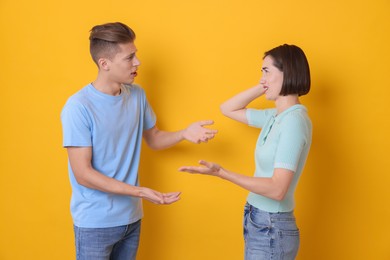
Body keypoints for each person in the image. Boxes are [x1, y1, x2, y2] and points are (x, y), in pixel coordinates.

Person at [60, 22, 217, 260]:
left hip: (131, 219)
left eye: (136, 55)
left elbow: (154, 138)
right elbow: (83, 173)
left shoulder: (137, 95)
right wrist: (140, 191)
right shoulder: (79, 106)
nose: (138, 62)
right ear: (105, 64)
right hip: (95, 223)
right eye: (129, 57)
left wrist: (184, 133)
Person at [179, 44, 312, 260]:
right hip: (258, 219)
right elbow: (228, 108)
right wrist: (266, 84)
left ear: (287, 72)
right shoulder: (275, 116)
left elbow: (278, 189)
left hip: (272, 226)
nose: (262, 77)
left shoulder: (294, 122)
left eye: (266, 71)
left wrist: (222, 173)